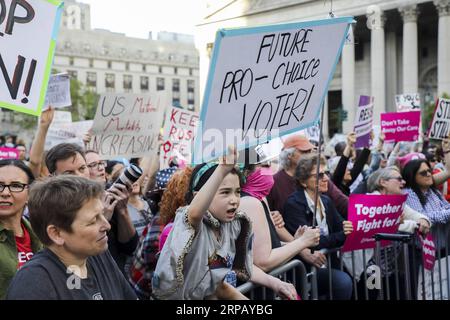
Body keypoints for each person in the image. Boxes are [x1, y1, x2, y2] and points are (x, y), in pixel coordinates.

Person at [6, 176, 137, 300]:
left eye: (102, 215)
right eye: (92, 221)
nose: (107, 225)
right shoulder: (33, 283)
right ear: (56, 234)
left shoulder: (99, 254)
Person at [152, 147, 253, 300]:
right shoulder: (191, 223)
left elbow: (216, 286)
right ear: (198, 196)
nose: (234, 199)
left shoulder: (230, 227)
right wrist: (221, 170)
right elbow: (194, 214)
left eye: (238, 192)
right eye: (225, 192)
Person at [283, 153, 354, 300]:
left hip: (328, 264)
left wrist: (345, 228)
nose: (326, 178)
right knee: (343, 282)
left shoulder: (326, 201)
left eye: (326, 173)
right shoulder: (294, 204)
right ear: (303, 182)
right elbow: (313, 242)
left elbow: (340, 227)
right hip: (304, 271)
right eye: (319, 175)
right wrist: (341, 235)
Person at [267, 135, 348, 220]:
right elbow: (268, 216)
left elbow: (342, 203)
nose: (309, 155)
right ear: (289, 155)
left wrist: (361, 210)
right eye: (304, 152)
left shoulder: (321, 177)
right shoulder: (274, 182)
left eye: (310, 151)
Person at [0, 160, 42, 299]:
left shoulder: (43, 234)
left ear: (29, 194)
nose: (5, 192)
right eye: (0, 186)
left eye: (16, 186)